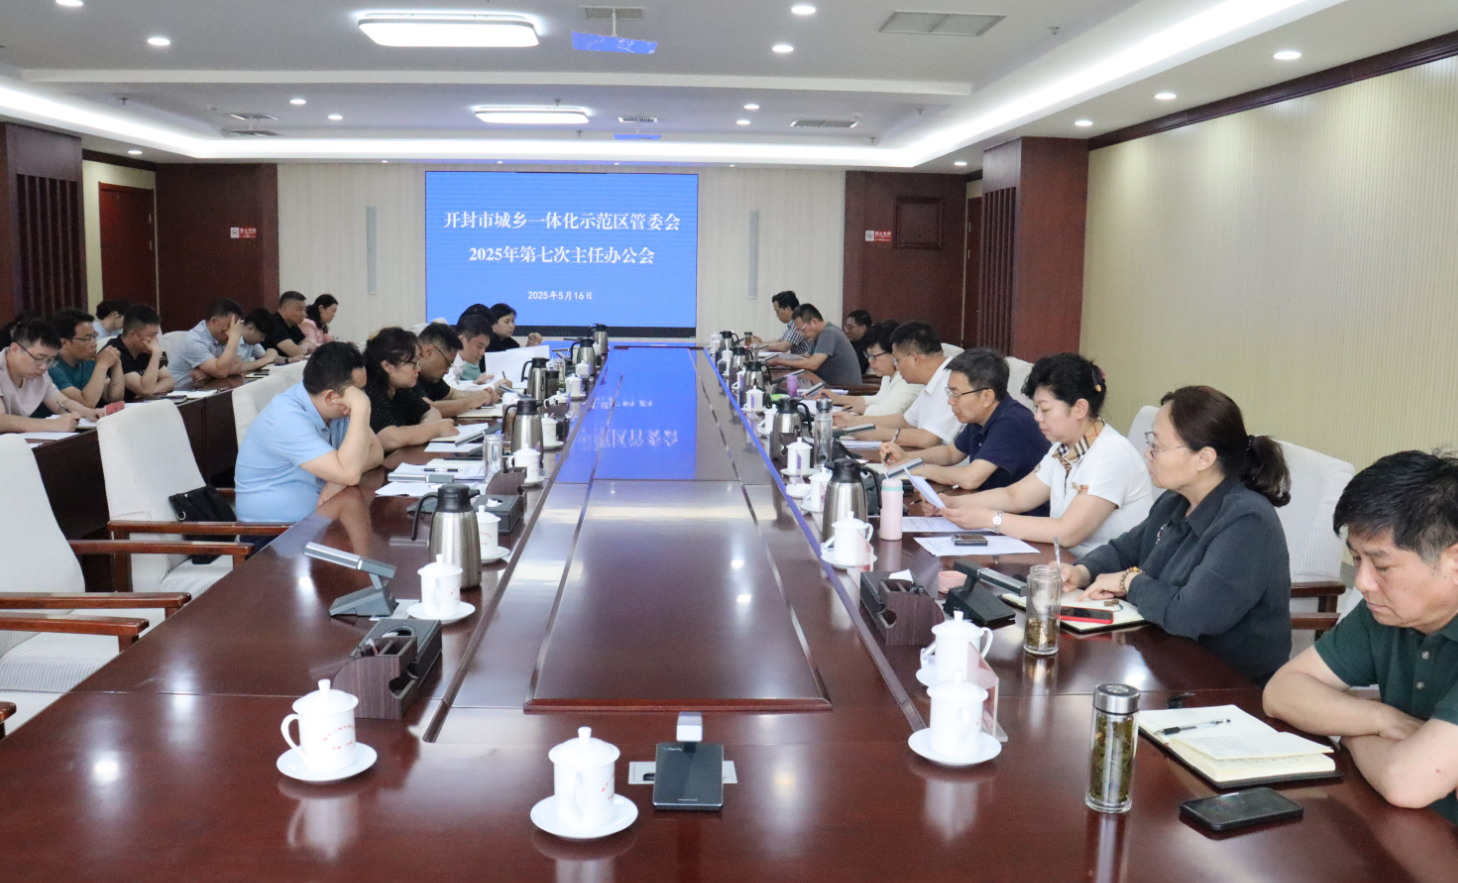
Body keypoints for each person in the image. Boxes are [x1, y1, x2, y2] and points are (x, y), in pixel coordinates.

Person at [1263, 451, 1458, 824]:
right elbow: (1282, 692)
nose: (1364, 583)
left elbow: (1407, 782)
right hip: (1398, 826)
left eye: (1382, 566)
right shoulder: (1386, 612)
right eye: (1356, 560)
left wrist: (1347, 732)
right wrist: (1382, 719)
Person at [1063, 386, 1292, 684]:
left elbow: (1190, 614)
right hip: (1162, 659)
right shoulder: (1177, 499)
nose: (1148, 453)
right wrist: (1081, 572)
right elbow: (1126, 550)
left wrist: (1128, 581)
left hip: (1225, 687)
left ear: (1203, 458)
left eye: (1157, 444)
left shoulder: (1247, 521)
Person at [935, 353, 1153, 555]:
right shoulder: (1063, 447)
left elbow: (1068, 532)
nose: (1037, 417)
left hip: (1104, 574)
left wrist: (991, 519)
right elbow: (1015, 496)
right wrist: (952, 504)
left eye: (1045, 409)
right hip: (1064, 562)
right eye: (1036, 408)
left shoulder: (1111, 454)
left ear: (1079, 408)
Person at [234, 342, 384, 522]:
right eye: (358, 391)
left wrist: (336, 480)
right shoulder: (286, 419)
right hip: (274, 532)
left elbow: (375, 451)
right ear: (330, 397)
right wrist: (361, 407)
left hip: (321, 518)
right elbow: (350, 474)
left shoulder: (338, 408)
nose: (363, 396)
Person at [884, 348, 1049, 510]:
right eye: (949, 392)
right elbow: (950, 453)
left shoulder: (1012, 422)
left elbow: (970, 478)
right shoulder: (980, 416)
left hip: (1025, 517)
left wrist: (918, 468)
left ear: (986, 397)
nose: (950, 401)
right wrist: (907, 458)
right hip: (989, 508)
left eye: (956, 394)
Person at [832, 321, 960, 447]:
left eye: (897, 361)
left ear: (915, 358)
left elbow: (928, 439)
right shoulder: (932, 379)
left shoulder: (951, 382)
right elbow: (906, 421)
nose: (897, 367)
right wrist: (855, 421)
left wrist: (876, 433)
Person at [0, 318, 105, 433]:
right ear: (15, 349)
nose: (44, 367)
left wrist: (88, 413)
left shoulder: (39, 374)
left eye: (49, 361)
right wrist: (52, 424)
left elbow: (61, 403)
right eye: (39, 358)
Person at [362, 327, 458, 452]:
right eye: (413, 364)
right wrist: (434, 429)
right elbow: (389, 439)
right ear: (388, 366)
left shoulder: (399, 387)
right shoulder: (370, 390)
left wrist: (427, 427)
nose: (418, 369)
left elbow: (431, 411)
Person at [814, 321, 919, 417]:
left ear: (893, 353)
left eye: (874, 356)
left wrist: (860, 410)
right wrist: (838, 399)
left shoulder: (908, 378)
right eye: (868, 356)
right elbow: (877, 400)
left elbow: (886, 413)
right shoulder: (888, 375)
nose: (870, 361)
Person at [766, 304, 862, 388]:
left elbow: (813, 364)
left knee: (799, 376)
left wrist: (781, 361)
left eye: (802, 330)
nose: (802, 335)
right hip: (832, 385)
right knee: (793, 376)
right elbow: (807, 357)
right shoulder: (818, 335)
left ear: (813, 322)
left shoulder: (829, 333)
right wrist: (782, 359)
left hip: (845, 390)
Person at [415, 322, 500, 418]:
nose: (447, 371)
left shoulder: (429, 375)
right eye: (446, 363)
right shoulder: (409, 372)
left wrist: (482, 397)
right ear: (429, 351)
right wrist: (469, 402)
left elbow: (452, 394)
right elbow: (428, 408)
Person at [170, 298, 250, 391]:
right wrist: (215, 371)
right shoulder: (194, 340)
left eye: (234, 325)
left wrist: (208, 373)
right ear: (214, 322)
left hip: (207, 387)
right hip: (180, 392)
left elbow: (238, 366)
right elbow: (221, 372)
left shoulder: (233, 332)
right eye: (229, 325)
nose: (232, 330)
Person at [49, 309, 124, 408]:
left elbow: (114, 398)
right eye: (88, 339)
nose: (94, 344)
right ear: (64, 343)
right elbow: (85, 404)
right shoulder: (51, 367)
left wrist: (116, 362)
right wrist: (102, 365)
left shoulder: (87, 361)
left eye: (94, 337)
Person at [105, 304, 174, 400]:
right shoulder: (115, 351)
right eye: (151, 335)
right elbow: (145, 390)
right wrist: (155, 355)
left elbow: (169, 380)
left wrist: (152, 390)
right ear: (133, 334)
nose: (156, 340)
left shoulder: (143, 349)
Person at [754, 290, 811, 355]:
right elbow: (780, 341)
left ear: (788, 309)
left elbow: (783, 347)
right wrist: (761, 342)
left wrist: (759, 345)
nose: (777, 315)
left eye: (777, 311)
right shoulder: (793, 324)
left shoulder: (798, 324)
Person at [265, 291, 316, 360]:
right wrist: (306, 346)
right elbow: (295, 352)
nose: (304, 314)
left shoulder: (292, 324)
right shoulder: (274, 324)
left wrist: (303, 347)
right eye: (300, 310)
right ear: (283, 310)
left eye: (304, 310)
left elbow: (312, 347)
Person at [843, 309, 873, 374]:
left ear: (863, 328)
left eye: (850, 327)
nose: (846, 331)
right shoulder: (851, 344)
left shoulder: (867, 348)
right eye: (846, 327)